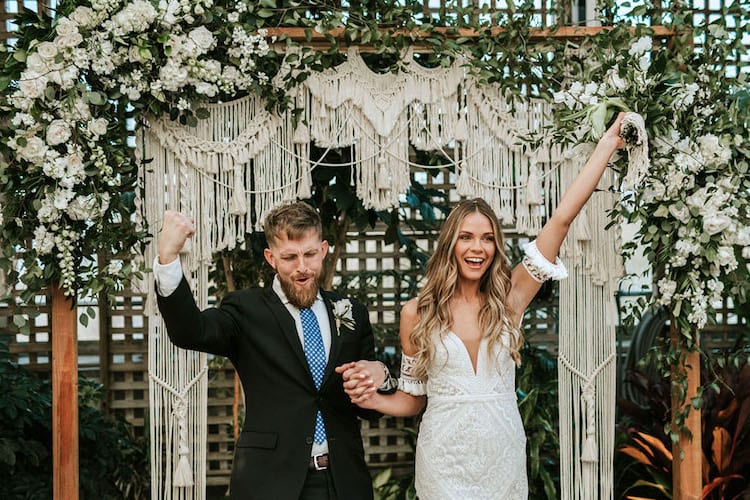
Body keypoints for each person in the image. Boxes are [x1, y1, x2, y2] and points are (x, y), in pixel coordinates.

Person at [336, 113, 627, 499]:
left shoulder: (511, 298)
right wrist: (373, 399)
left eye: (487, 238)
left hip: (502, 457)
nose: (477, 248)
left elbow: (561, 219)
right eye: (467, 237)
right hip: (443, 461)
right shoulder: (417, 314)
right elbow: (414, 398)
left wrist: (607, 146)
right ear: (450, 245)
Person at [154, 201, 398, 499]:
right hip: (269, 483)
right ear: (271, 258)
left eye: (309, 254)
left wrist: (380, 374)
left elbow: (370, 409)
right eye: (289, 257)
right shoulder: (245, 309)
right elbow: (190, 331)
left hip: (343, 482)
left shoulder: (352, 312)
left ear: (323, 250)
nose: (302, 267)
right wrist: (168, 258)